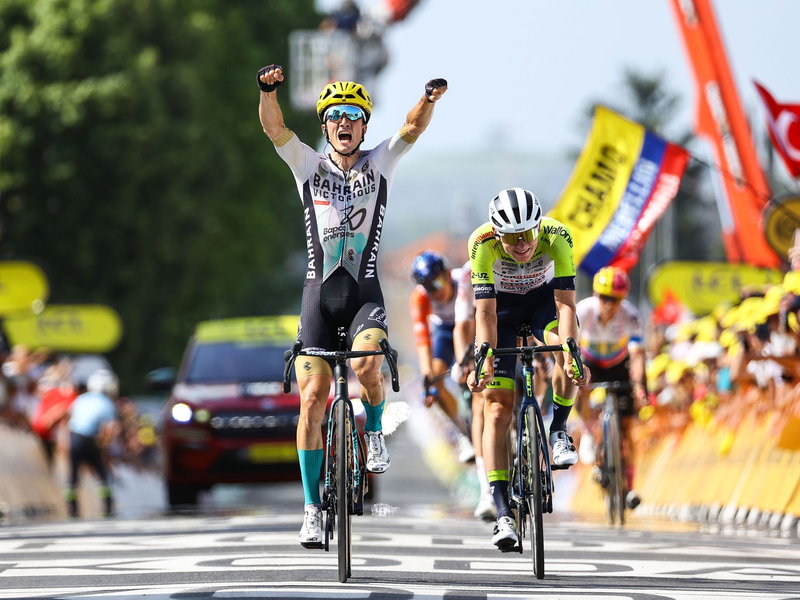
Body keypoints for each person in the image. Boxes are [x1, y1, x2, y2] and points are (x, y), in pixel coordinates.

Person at [257, 64, 447, 548]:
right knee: (313, 401)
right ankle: (311, 510)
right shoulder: (307, 164)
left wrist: (427, 98)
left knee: (366, 366)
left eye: (354, 115)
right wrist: (267, 90)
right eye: (335, 115)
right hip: (318, 297)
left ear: (364, 125)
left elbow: (411, 128)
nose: (345, 122)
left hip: (364, 294)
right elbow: (274, 127)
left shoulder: (379, 162)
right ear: (325, 126)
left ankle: (376, 430)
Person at [467, 188, 590, 550]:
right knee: (496, 407)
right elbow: (485, 314)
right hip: (500, 310)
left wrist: (571, 352)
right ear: (496, 233)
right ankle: (503, 512)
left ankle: (559, 430)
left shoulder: (557, 235)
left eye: (527, 235)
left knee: (567, 356)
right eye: (511, 237)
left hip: (543, 302)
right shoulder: (482, 243)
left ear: (538, 227)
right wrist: (485, 358)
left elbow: (566, 306)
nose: (521, 244)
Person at [575, 266, 647, 510]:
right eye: (605, 298)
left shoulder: (631, 315)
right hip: (590, 361)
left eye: (615, 299)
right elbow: (571, 346)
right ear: (596, 296)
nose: (609, 304)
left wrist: (639, 387)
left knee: (627, 428)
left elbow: (637, 356)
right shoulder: (582, 311)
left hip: (618, 363)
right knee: (579, 387)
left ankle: (630, 485)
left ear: (622, 300)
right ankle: (587, 431)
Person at [64, 369, 120, 518]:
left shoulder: (80, 399)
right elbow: (109, 430)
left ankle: (72, 509)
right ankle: (108, 506)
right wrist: (105, 448)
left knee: (73, 475)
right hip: (90, 439)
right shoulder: (108, 403)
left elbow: (69, 419)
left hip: (74, 436)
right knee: (100, 472)